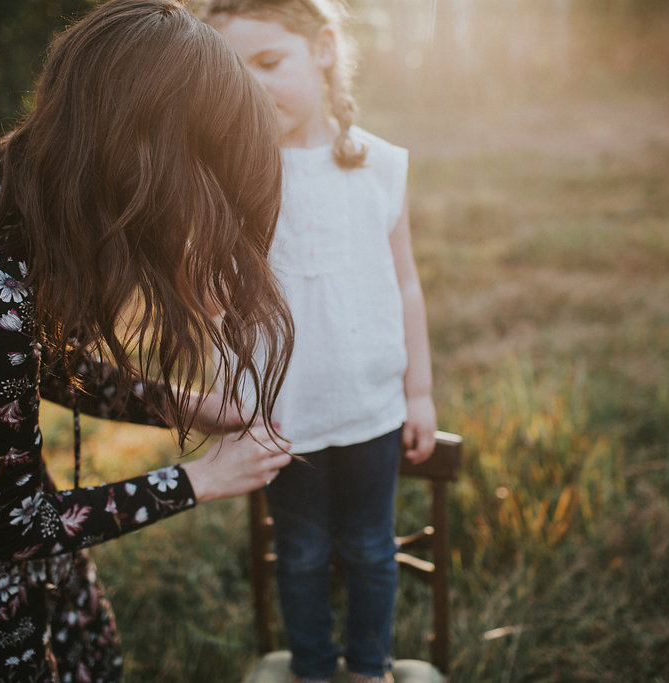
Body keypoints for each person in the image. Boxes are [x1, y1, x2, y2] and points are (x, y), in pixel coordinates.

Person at [0, 1, 296, 680]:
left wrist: (185, 404)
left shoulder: (22, 176)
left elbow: (37, 366)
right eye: (202, 184)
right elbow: (11, 526)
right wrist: (200, 479)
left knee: (80, 657)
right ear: (142, 150)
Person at [203, 2, 437, 682]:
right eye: (231, 75)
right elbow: (215, 301)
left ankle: (369, 668)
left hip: (370, 406)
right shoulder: (232, 180)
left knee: (370, 548)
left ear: (324, 50)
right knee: (300, 552)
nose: (251, 89)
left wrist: (417, 390)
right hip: (282, 415)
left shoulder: (380, 165)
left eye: (269, 64)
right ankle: (310, 667)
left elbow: (407, 284)